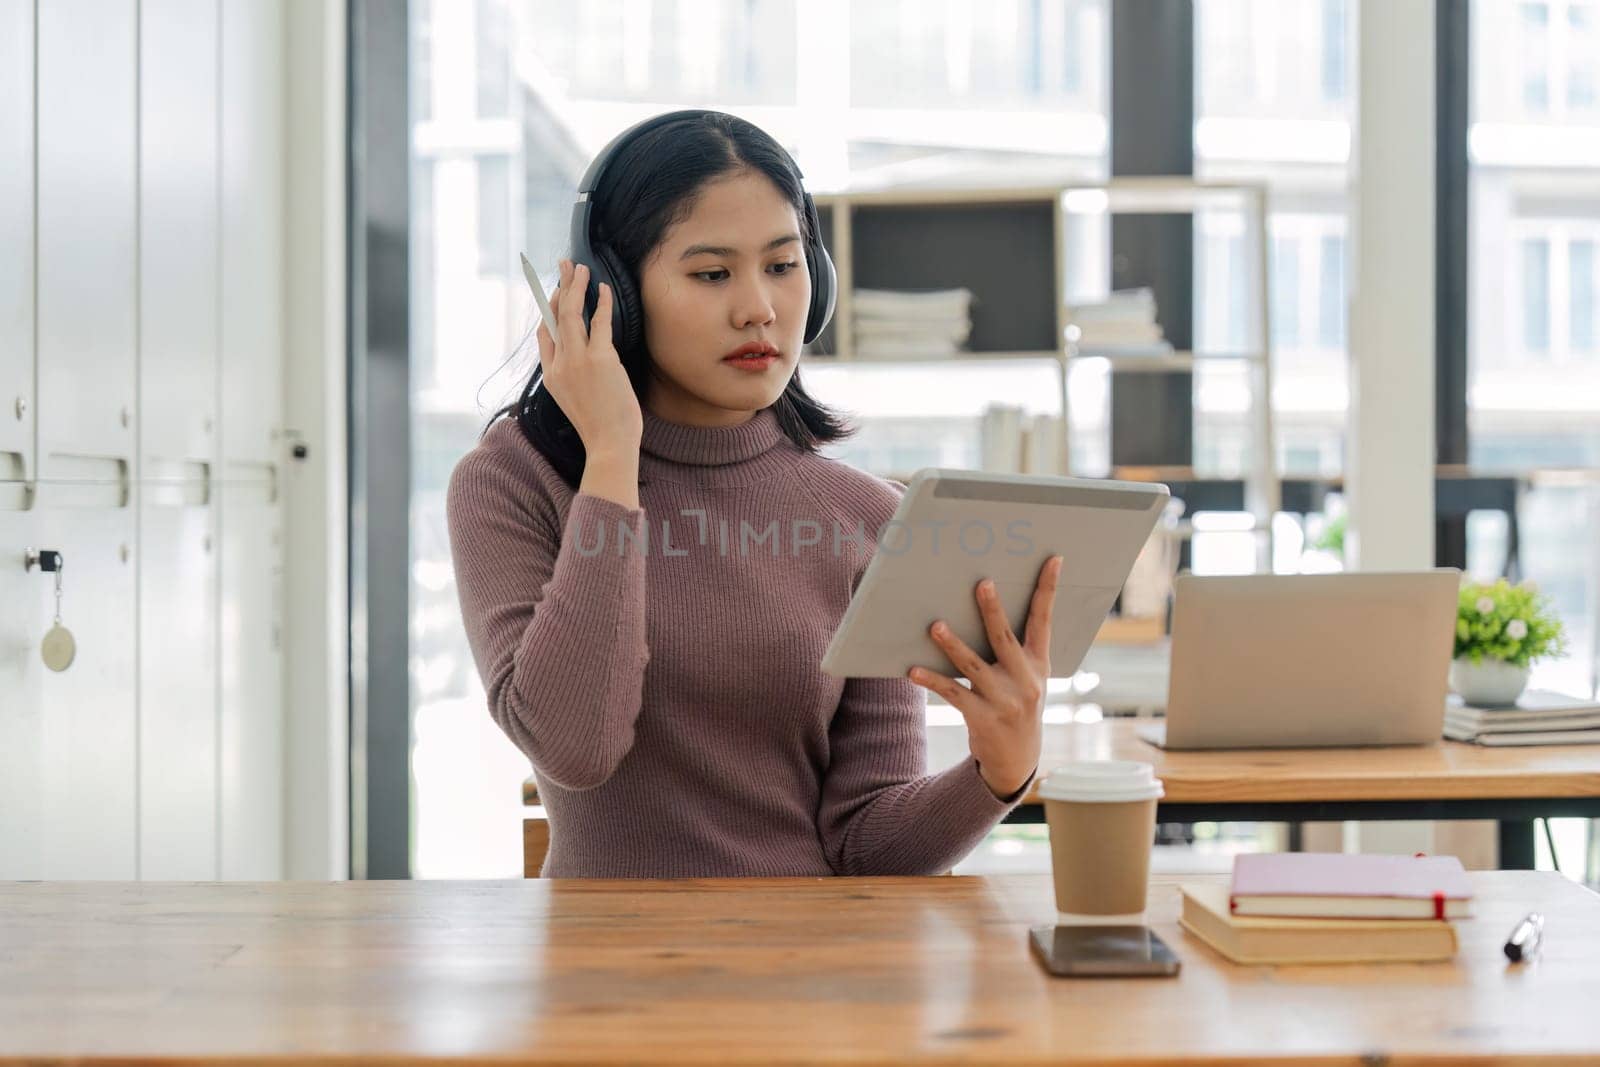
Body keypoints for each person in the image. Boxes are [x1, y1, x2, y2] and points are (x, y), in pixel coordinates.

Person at [446, 109, 1061, 878]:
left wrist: (996, 773)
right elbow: (576, 747)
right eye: (711, 273)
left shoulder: (868, 516)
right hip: (602, 980)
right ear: (613, 295)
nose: (760, 308)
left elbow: (865, 843)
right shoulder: (513, 483)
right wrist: (611, 457)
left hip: (805, 975)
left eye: (782, 264)